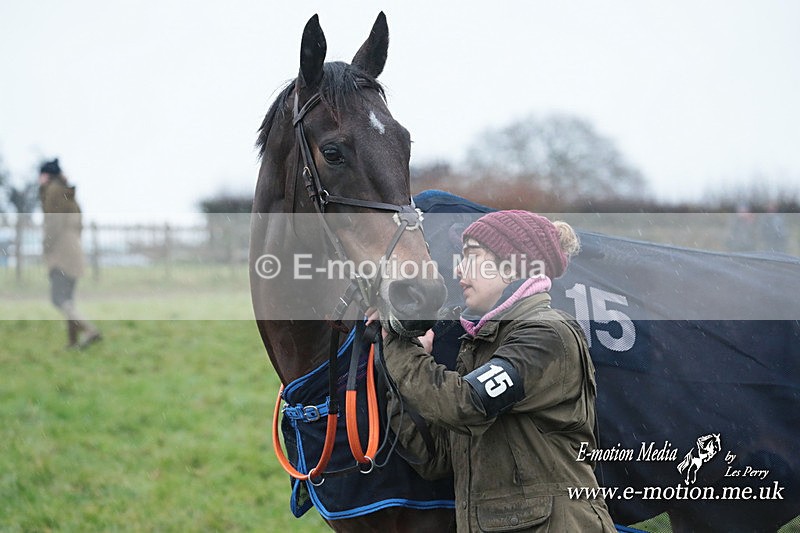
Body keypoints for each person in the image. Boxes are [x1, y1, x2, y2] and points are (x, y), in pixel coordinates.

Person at [369, 210, 615, 532]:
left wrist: (400, 349)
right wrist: (395, 359)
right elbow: (436, 458)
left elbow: (465, 405)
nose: (458, 269)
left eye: (471, 255)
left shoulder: (546, 335)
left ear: (513, 267)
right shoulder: (480, 343)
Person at [39, 158, 101, 349]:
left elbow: (52, 223)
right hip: (74, 249)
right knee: (68, 299)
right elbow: (79, 222)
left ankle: (89, 330)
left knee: (59, 299)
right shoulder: (69, 193)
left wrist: (47, 246)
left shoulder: (52, 192)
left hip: (61, 252)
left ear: (46, 176)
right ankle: (73, 342)